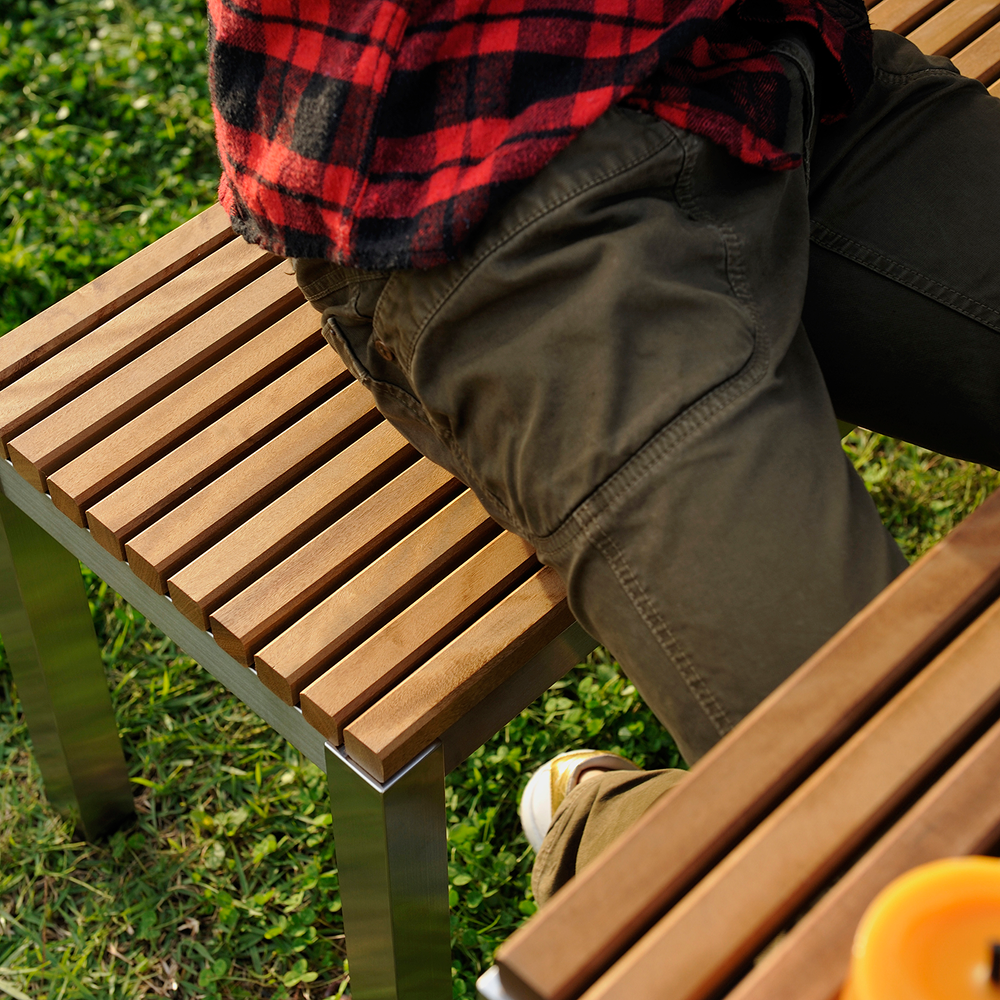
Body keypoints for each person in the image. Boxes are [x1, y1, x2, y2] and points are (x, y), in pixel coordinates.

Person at [206, 1, 1000, 903]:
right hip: (491, 192)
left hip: (769, 66)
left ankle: (678, 834)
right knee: (935, 870)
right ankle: (608, 829)